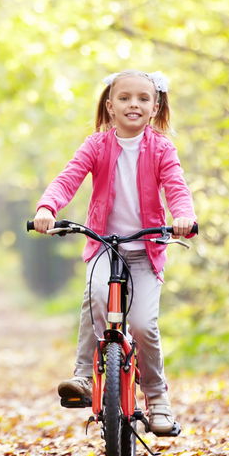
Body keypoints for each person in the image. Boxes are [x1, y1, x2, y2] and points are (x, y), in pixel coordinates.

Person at [32, 70, 197, 435]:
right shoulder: (96, 145)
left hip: (146, 250)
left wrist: (183, 216)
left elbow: (176, 187)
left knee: (142, 325)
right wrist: (48, 208)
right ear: (110, 105)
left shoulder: (162, 148)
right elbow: (69, 177)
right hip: (105, 246)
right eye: (124, 98)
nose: (133, 105)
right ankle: (83, 377)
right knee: (96, 297)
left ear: (155, 107)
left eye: (142, 98)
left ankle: (157, 399)